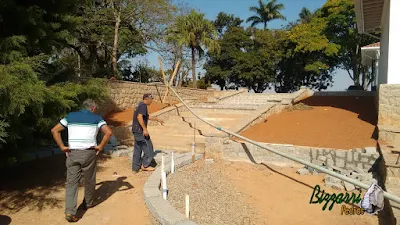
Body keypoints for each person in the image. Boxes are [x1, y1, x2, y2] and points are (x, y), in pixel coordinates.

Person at [51, 99, 112, 223]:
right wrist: (100, 146)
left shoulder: (70, 116)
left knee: (71, 182)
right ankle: (88, 203)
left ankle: (70, 211)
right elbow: (108, 132)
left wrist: (63, 147)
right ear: (93, 108)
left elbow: (54, 130)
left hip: (73, 153)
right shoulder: (97, 118)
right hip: (88, 153)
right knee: (89, 179)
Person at [131, 93, 164, 173]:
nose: (152, 101)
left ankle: (135, 167)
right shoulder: (143, 105)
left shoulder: (139, 104)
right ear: (147, 99)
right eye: (151, 99)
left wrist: (157, 119)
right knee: (149, 147)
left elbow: (146, 116)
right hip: (140, 131)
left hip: (135, 130)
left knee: (137, 148)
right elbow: (139, 117)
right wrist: (144, 129)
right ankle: (145, 165)